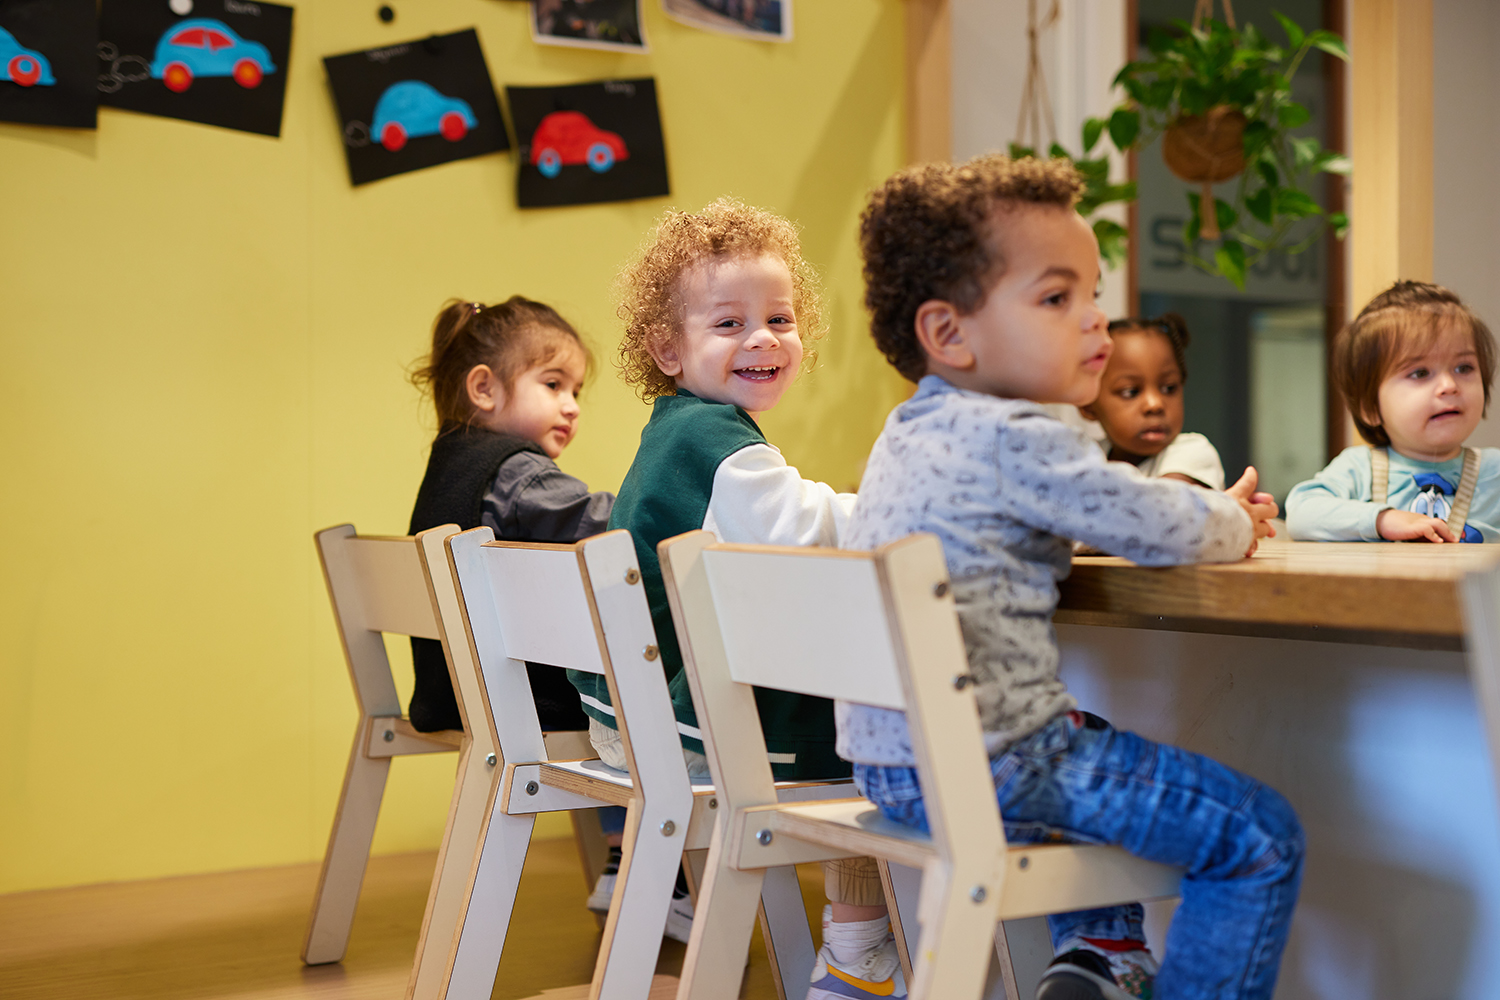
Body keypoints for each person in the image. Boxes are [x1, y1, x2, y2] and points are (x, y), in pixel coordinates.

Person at [845, 154, 1301, 1000]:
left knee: (1086, 728)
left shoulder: (909, 431)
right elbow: (1157, 522)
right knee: (1260, 836)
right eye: (1058, 299)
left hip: (891, 765)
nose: (1094, 321)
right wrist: (1234, 519)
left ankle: (1100, 952)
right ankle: (1109, 955)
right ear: (949, 334)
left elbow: (1066, 514)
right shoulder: (1024, 433)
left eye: (1092, 292)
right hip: (994, 764)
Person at [572, 197, 900, 1000]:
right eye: (729, 324)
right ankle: (861, 952)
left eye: (780, 318)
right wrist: (905, 508)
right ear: (668, 349)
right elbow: (802, 526)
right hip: (683, 724)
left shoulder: (678, 430)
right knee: (889, 744)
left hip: (638, 715)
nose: (763, 338)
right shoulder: (712, 443)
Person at [1286, 280, 1500, 543]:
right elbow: (1301, 512)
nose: (1449, 386)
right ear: (1370, 408)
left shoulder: (1494, 471)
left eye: (1464, 368)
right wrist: (1382, 519)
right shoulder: (1358, 469)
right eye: (1420, 373)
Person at [1081, 313, 1225, 489]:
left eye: (1169, 388)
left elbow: (1161, 511)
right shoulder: (1085, 458)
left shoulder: (1192, 452)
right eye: (1131, 392)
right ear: (1087, 403)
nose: (1155, 404)